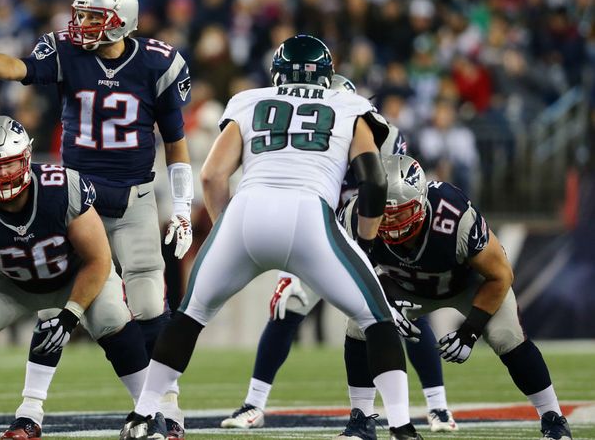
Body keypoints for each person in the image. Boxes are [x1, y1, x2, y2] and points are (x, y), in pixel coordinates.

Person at [120, 35, 422, 440]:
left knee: (189, 318)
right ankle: (401, 426)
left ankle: (142, 415)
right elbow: (373, 181)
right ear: (327, 75)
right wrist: (365, 245)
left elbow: (211, 174)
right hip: (309, 215)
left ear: (277, 72)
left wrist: (226, 227)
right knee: (377, 320)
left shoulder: (249, 100)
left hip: (246, 212)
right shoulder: (350, 105)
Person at [0, 0, 192, 438]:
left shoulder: (158, 63)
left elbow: (176, 144)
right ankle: (31, 412)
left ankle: (165, 408)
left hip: (133, 197)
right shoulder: (65, 50)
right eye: (80, 14)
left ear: (122, 22)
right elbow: (18, 68)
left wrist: (181, 206)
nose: (81, 25)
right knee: (54, 302)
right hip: (75, 200)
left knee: (150, 306)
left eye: (94, 17)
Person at [221, 75, 459, 434]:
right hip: (321, 233)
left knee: (405, 311)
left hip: (373, 234)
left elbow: (395, 189)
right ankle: (254, 404)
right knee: (289, 306)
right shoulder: (304, 137)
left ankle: (438, 407)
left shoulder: (380, 134)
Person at [0, 116, 153, 440]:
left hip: (75, 273)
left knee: (110, 315)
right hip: (11, 281)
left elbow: (98, 259)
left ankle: (149, 411)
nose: (2, 175)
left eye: (8, 165)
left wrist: (71, 314)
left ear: (26, 158)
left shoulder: (61, 187)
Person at [335, 154, 574, 440]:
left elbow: (501, 275)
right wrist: (382, 302)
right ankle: (361, 421)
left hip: (466, 286)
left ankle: (553, 419)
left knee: (506, 336)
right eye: (382, 212)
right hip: (402, 286)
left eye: (399, 212)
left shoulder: (453, 216)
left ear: (421, 204)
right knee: (360, 323)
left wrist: (470, 331)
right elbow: (343, 273)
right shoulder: (355, 215)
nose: (389, 222)